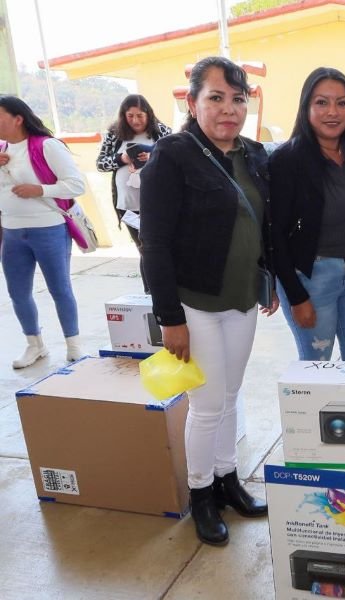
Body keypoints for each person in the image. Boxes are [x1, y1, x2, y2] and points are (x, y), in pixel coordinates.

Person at [140, 56, 277, 546]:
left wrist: (271, 281)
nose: (229, 109)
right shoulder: (172, 156)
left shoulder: (253, 154)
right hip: (195, 304)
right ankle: (200, 493)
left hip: (242, 301)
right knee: (207, 405)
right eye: (216, 98)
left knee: (230, 397)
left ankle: (226, 480)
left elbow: (263, 227)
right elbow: (153, 243)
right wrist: (169, 318)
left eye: (238, 98)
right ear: (192, 101)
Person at [270, 67, 345, 360]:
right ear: (306, 106)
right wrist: (296, 295)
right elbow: (274, 233)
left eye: (342, 103)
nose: (333, 112)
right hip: (312, 278)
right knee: (317, 368)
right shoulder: (287, 160)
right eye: (322, 102)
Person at [0, 95, 85, 369]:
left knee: (59, 288)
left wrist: (40, 190)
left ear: (18, 118)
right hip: (12, 232)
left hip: (48, 229)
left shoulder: (46, 146)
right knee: (18, 292)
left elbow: (75, 184)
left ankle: (73, 345)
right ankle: (34, 344)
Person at [96, 94, 172, 293]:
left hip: (158, 204)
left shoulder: (161, 131)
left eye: (140, 115)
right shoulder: (114, 134)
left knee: (161, 247)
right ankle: (151, 291)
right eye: (130, 116)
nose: (136, 121)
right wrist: (122, 159)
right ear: (123, 116)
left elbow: (175, 159)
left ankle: (167, 289)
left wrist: (154, 156)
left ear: (148, 114)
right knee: (144, 248)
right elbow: (101, 164)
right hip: (128, 206)